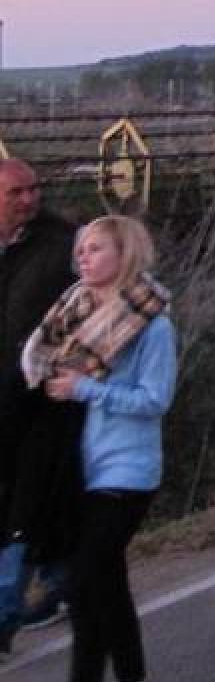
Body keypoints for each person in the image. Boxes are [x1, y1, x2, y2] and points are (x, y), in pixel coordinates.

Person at [20, 217, 174, 682]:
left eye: (95, 248)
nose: (83, 257)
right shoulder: (72, 312)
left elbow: (155, 399)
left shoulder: (151, 324)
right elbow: (36, 366)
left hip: (126, 471)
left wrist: (87, 389)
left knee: (85, 584)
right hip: (77, 469)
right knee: (107, 581)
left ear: (124, 253)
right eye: (81, 249)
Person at [1, 159, 77, 653]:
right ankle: (61, 578)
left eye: (33, 190)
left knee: (28, 495)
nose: (29, 199)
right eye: (16, 193)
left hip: (44, 391)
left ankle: (9, 608)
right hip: (5, 395)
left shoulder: (60, 243)